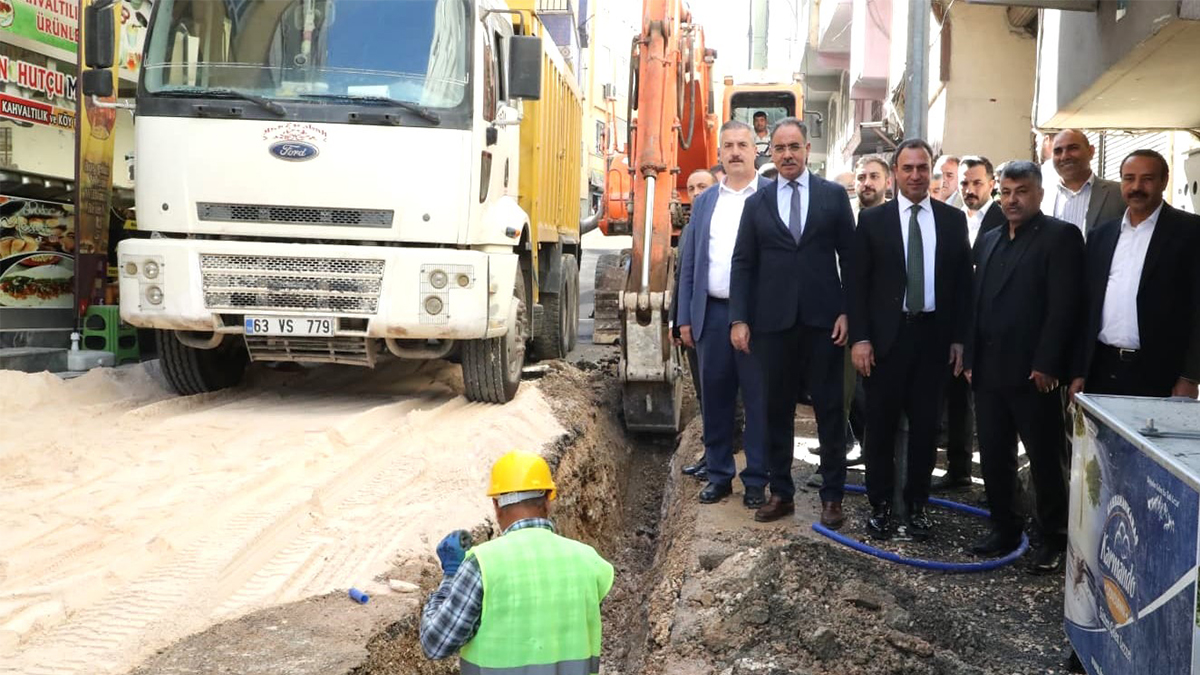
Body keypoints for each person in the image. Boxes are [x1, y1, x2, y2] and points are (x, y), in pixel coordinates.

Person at [729, 117, 855, 528]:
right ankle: (780, 493)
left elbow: (851, 260)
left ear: (807, 150)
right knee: (775, 410)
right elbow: (743, 264)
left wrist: (848, 310)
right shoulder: (757, 204)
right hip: (773, 325)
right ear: (771, 153)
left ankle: (832, 497)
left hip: (824, 323)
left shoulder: (834, 198)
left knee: (831, 412)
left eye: (794, 147)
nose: (787, 155)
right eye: (780, 148)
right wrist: (740, 319)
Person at [848, 138, 972, 541]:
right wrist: (861, 339)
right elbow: (857, 286)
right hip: (886, 340)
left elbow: (961, 286)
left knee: (925, 428)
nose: (916, 175)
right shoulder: (873, 222)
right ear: (895, 174)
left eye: (923, 168)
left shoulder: (952, 222)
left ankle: (918, 506)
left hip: (933, 339)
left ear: (931, 171)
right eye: (908, 168)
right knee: (879, 427)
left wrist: (959, 339)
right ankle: (881, 506)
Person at [964, 161, 1083, 574]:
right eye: (1006, 192)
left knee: (1045, 458)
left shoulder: (1061, 237)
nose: (1012, 200)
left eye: (1022, 192)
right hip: (989, 371)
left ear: (1039, 194)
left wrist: (1048, 362)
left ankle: (1053, 538)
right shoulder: (991, 238)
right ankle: (1005, 528)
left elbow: (1064, 307)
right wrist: (970, 358)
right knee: (995, 455)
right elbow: (976, 303)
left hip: (1035, 374)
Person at [420, 451, 614, 672]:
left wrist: (451, 576)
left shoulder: (482, 565)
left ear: (496, 505)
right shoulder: (588, 560)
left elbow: (435, 644)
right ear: (548, 501)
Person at [677, 121, 772, 509]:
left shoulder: (771, 196)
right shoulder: (705, 202)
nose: (735, 151)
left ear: (754, 151)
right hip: (711, 315)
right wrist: (684, 317)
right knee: (714, 400)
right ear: (719, 154)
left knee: (759, 400)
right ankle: (718, 476)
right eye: (728, 145)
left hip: (758, 317)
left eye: (742, 145)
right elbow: (690, 264)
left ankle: (756, 480)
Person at [1069, 149, 1200, 400]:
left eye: (1147, 179)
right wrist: (1079, 370)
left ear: (1164, 181)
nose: (1136, 186)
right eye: (1129, 178)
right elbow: (1087, 308)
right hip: (1102, 370)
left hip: (1161, 373)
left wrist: (1189, 376)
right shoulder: (1101, 235)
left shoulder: (1191, 233)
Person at [932, 155, 1002, 492]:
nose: (970, 189)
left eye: (976, 182)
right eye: (963, 183)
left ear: (992, 183)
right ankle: (958, 470)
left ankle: (998, 487)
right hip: (958, 324)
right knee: (956, 400)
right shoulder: (956, 218)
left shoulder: (1004, 219)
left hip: (992, 329)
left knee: (991, 410)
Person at [1041, 129, 1125, 238]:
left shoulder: (1118, 193)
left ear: (1091, 151)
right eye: (1058, 151)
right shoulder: (1042, 197)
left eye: (1073, 148)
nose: (1065, 156)